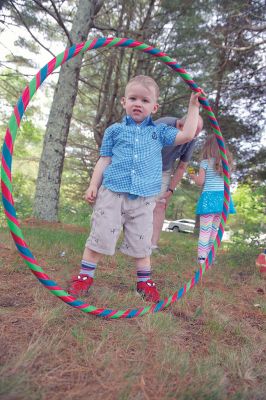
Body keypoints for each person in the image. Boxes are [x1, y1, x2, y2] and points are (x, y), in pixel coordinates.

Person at [68, 75, 202, 302]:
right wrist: (93, 184)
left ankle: (144, 283)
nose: (138, 103)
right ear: (124, 102)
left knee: (142, 242)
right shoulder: (114, 131)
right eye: (133, 98)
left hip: (143, 199)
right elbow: (104, 160)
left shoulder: (159, 132)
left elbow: (187, 134)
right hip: (112, 193)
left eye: (145, 100)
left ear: (154, 107)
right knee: (99, 235)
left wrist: (193, 107)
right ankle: (84, 277)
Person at [151, 115, 204, 251]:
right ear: (180, 126)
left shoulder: (192, 140)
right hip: (144, 165)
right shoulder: (163, 125)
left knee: (160, 205)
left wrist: (171, 189)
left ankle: (152, 245)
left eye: (196, 135)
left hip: (164, 170)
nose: (193, 138)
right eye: (192, 134)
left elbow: (182, 166)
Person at [189, 134, 236, 265]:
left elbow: (200, 181)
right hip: (222, 199)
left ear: (207, 147)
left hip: (209, 198)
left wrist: (192, 175)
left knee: (205, 230)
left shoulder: (205, 162)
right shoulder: (226, 163)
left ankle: (202, 259)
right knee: (214, 230)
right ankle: (211, 257)